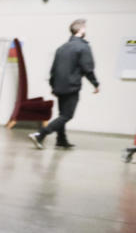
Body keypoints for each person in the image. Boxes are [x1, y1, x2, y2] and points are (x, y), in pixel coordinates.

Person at [29, 19, 99, 149]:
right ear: (80, 30)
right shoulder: (83, 47)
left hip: (59, 86)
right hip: (72, 87)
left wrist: (53, 86)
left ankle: (61, 140)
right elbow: (87, 68)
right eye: (84, 28)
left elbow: (53, 70)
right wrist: (95, 84)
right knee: (67, 115)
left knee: (62, 115)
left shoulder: (61, 48)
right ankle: (40, 135)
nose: (85, 30)